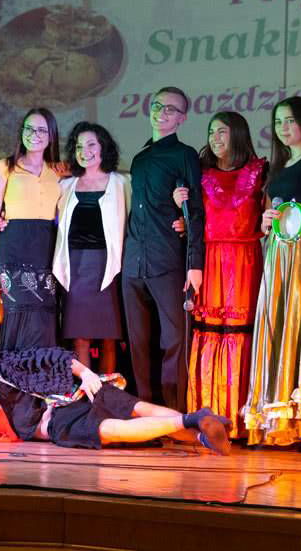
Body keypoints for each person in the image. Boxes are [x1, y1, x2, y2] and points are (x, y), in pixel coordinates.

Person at [0, 346, 231, 455]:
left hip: (63, 407)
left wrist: (87, 373)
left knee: (125, 417)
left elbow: (49, 355)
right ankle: (201, 430)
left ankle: (193, 422)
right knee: (128, 416)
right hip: (62, 413)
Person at [242, 96, 301, 446]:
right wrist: (266, 221)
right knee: (274, 324)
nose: (284, 128)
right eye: (278, 121)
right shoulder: (279, 166)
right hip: (277, 254)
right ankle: (271, 416)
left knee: (300, 323)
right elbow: (271, 213)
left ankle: (300, 421)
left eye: (290, 120)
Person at [173, 112, 267, 438]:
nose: (215, 138)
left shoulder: (259, 171)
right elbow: (195, 218)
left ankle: (240, 420)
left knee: (240, 332)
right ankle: (208, 415)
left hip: (244, 260)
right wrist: (180, 210)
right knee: (210, 330)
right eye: (211, 132)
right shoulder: (201, 173)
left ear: (237, 134)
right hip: (210, 258)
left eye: (222, 132)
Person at [123, 86, 204, 412]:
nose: (161, 113)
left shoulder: (185, 155)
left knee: (173, 340)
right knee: (139, 343)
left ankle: (173, 413)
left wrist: (194, 262)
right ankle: (145, 412)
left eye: (170, 109)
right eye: (157, 106)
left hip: (167, 259)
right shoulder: (140, 158)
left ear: (182, 118)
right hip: (134, 263)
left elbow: (195, 210)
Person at [0, 108, 67, 351]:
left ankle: (39, 385)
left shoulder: (58, 173)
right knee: (16, 320)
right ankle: (12, 386)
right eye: (29, 128)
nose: (35, 134)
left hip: (47, 256)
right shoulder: (4, 168)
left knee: (45, 322)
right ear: (21, 132)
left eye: (42, 130)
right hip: (13, 254)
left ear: (51, 136)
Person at [53, 122, 129, 372]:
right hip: (74, 266)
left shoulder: (122, 182)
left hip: (109, 265)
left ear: (103, 147)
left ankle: (109, 395)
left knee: (110, 337)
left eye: (91, 144)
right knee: (80, 337)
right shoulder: (65, 185)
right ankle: (88, 395)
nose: (85, 151)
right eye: (78, 146)